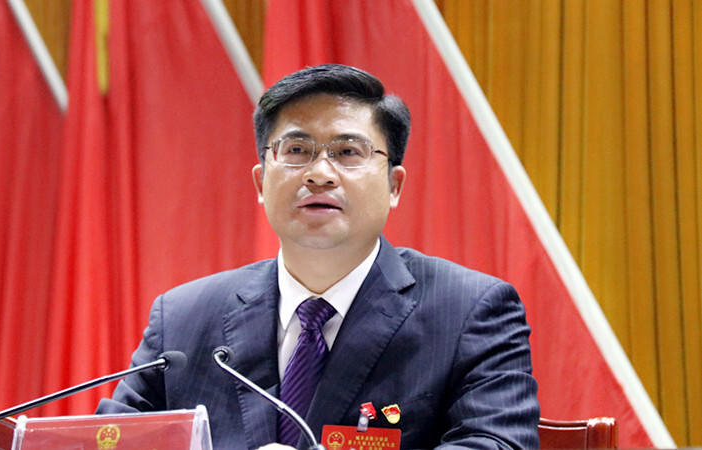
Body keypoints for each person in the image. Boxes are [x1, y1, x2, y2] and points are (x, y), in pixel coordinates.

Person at [97, 64, 540, 449]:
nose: (320, 174)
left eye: (348, 152)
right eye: (296, 151)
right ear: (260, 183)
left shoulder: (470, 312)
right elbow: (110, 440)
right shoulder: (183, 319)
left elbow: (498, 443)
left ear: (394, 186)